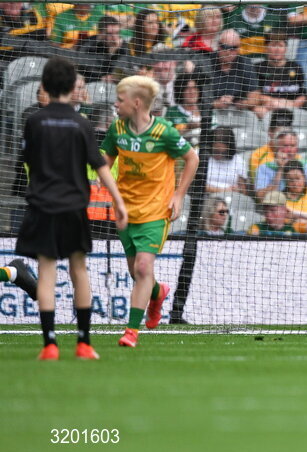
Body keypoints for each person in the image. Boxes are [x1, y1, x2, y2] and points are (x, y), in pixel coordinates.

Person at [15, 57, 125, 361]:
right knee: (79, 271)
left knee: (47, 273)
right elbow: (100, 166)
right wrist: (118, 201)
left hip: (43, 205)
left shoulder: (34, 121)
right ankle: (83, 343)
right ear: (73, 87)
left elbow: (27, 160)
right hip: (74, 206)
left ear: (45, 86)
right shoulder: (81, 124)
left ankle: (50, 344)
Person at [101, 75, 199, 349]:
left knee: (144, 266)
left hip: (156, 210)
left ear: (136, 103)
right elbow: (106, 159)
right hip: (125, 209)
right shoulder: (117, 129)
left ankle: (131, 330)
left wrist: (178, 195)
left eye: (119, 100)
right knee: (137, 273)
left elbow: (192, 158)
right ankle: (158, 293)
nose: (115, 104)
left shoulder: (164, 132)